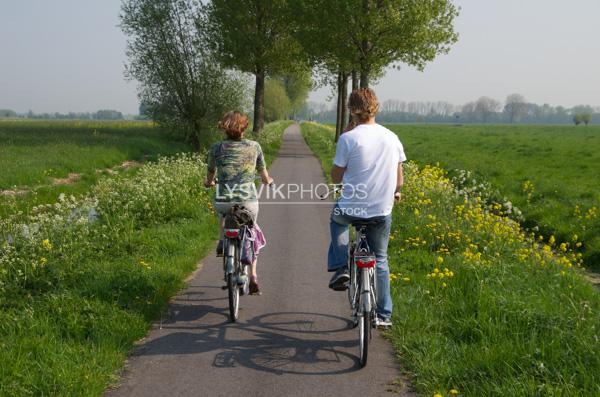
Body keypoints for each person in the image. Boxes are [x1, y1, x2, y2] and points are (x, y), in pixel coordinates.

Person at [327, 88, 406, 328]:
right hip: (381, 209)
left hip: (352, 206)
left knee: (337, 219)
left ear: (352, 110)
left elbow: (336, 178)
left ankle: (342, 267)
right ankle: (384, 314)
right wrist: (396, 192)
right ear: (376, 108)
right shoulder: (392, 137)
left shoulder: (348, 138)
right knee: (380, 259)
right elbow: (399, 178)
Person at [205, 111, 273, 294]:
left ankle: (222, 242)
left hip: (223, 200)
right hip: (247, 201)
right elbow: (264, 176)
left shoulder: (216, 148)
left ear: (225, 128)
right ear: (244, 127)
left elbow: (210, 174)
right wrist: (269, 181)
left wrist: (208, 182)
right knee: (252, 229)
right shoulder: (254, 146)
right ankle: (253, 276)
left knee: (224, 214)